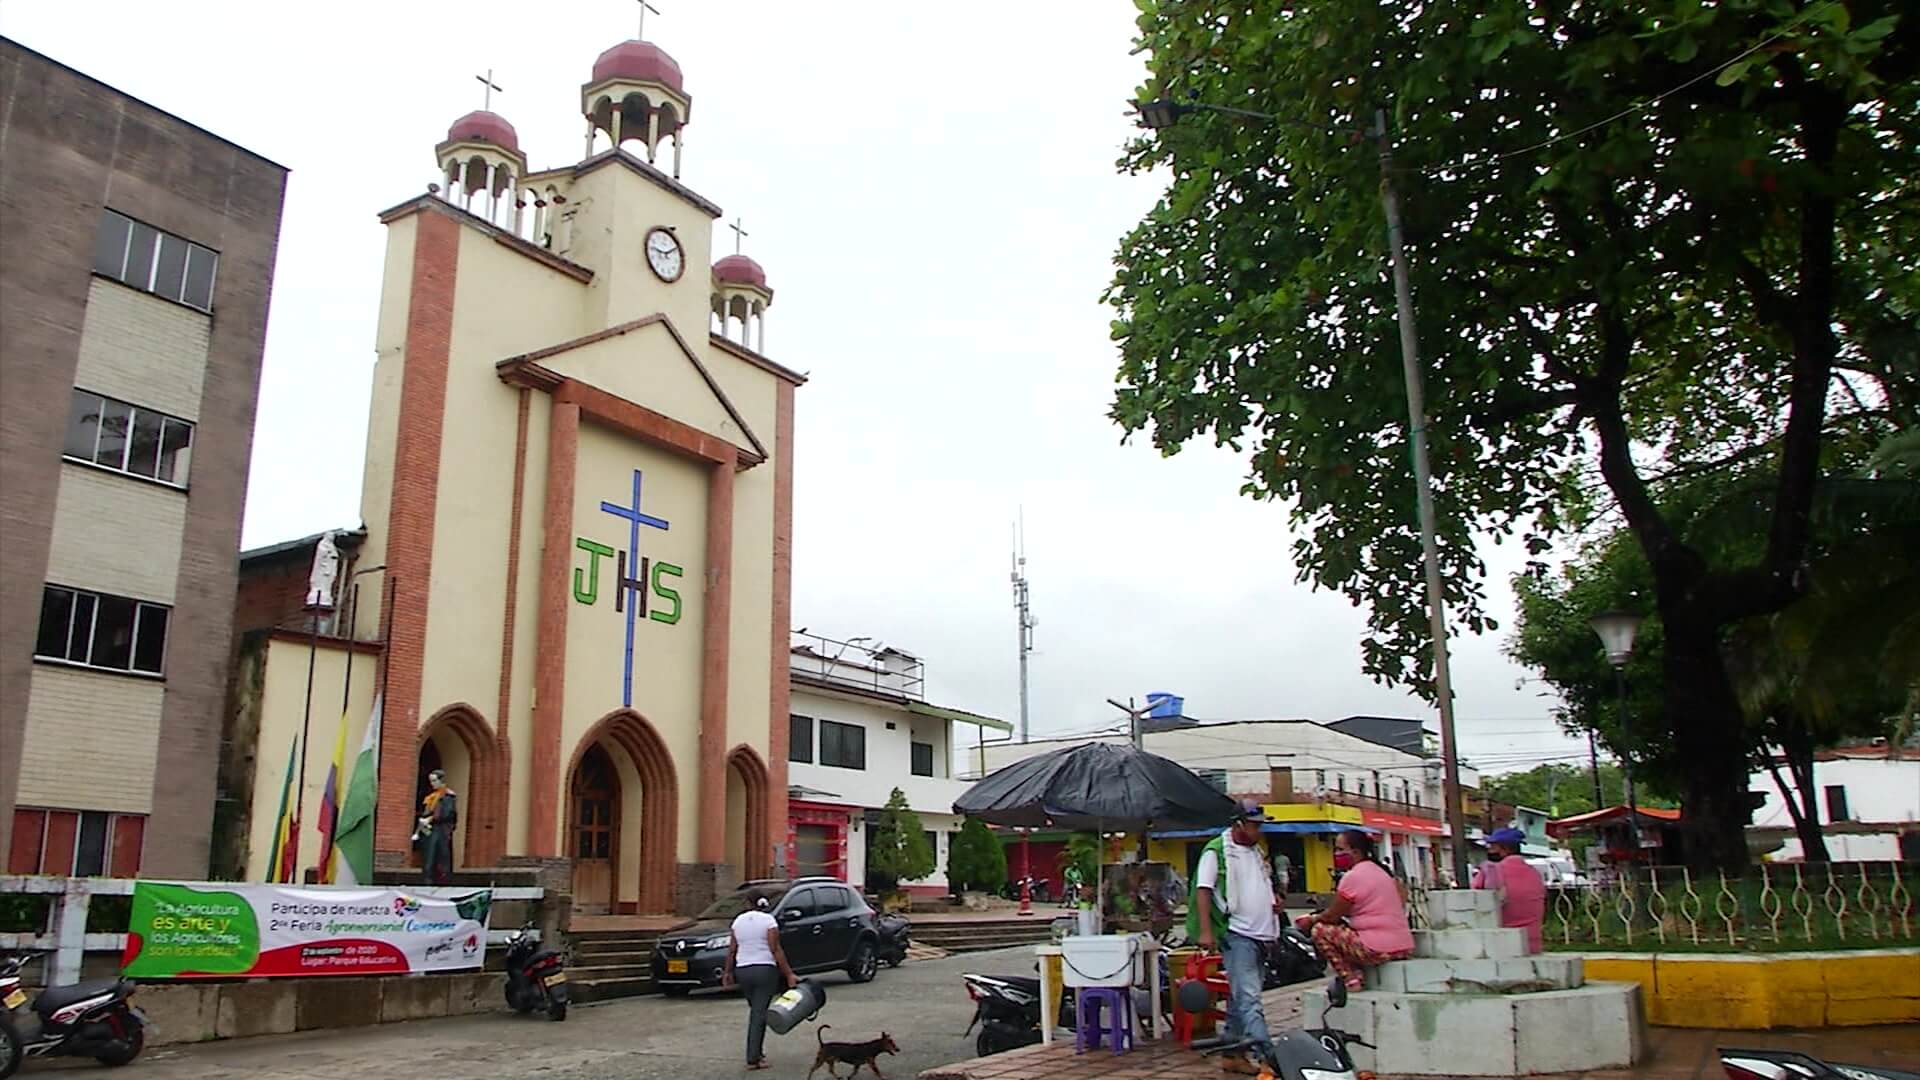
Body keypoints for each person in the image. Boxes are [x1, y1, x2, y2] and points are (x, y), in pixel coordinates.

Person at [1188, 801, 1281, 1075]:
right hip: (1238, 933)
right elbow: (1203, 890)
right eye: (1254, 825)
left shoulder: (1256, 852)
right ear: (1238, 823)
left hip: (1262, 933)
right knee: (1250, 999)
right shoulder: (1216, 851)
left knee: (1241, 999)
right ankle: (1269, 1058)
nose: (1259, 830)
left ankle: (1232, 1053)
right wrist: (1206, 931)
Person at [1295, 829, 1414, 991]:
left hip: (1377, 948)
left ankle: (1351, 979)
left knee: (1320, 931)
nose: (1336, 854)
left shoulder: (1353, 877)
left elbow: (1332, 915)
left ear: (1356, 852)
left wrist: (1311, 920)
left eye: (1340, 850)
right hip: (1403, 945)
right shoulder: (1382, 872)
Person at [721, 895, 798, 1071]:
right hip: (764, 970)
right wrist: (789, 974)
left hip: (743, 971)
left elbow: (732, 949)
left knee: (756, 1010)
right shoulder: (769, 921)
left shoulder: (738, 921)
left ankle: (757, 1052)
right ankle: (753, 1057)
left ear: (748, 904)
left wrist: (727, 972)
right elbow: (775, 949)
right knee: (758, 1014)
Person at [1473, 827, 1547, 953]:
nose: (1489, 851)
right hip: (1533, 944)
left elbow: (1474, 902)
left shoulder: (1490, 871)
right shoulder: (1534, 873)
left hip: (1501, 945)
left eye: (1492, 847)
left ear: (1505, 849)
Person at [414, 769, 457, 885]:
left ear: (441, 781)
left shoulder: (448, 796)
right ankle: (427, 879)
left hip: (441, 830)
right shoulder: (431, 797)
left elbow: (447, 813)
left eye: (434, 781)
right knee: (428, 856)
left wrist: (431, 818)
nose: (432, 783)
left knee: (440, 856)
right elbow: (427, 811)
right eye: (431, 781)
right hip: (429, 830)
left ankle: (441, 880)